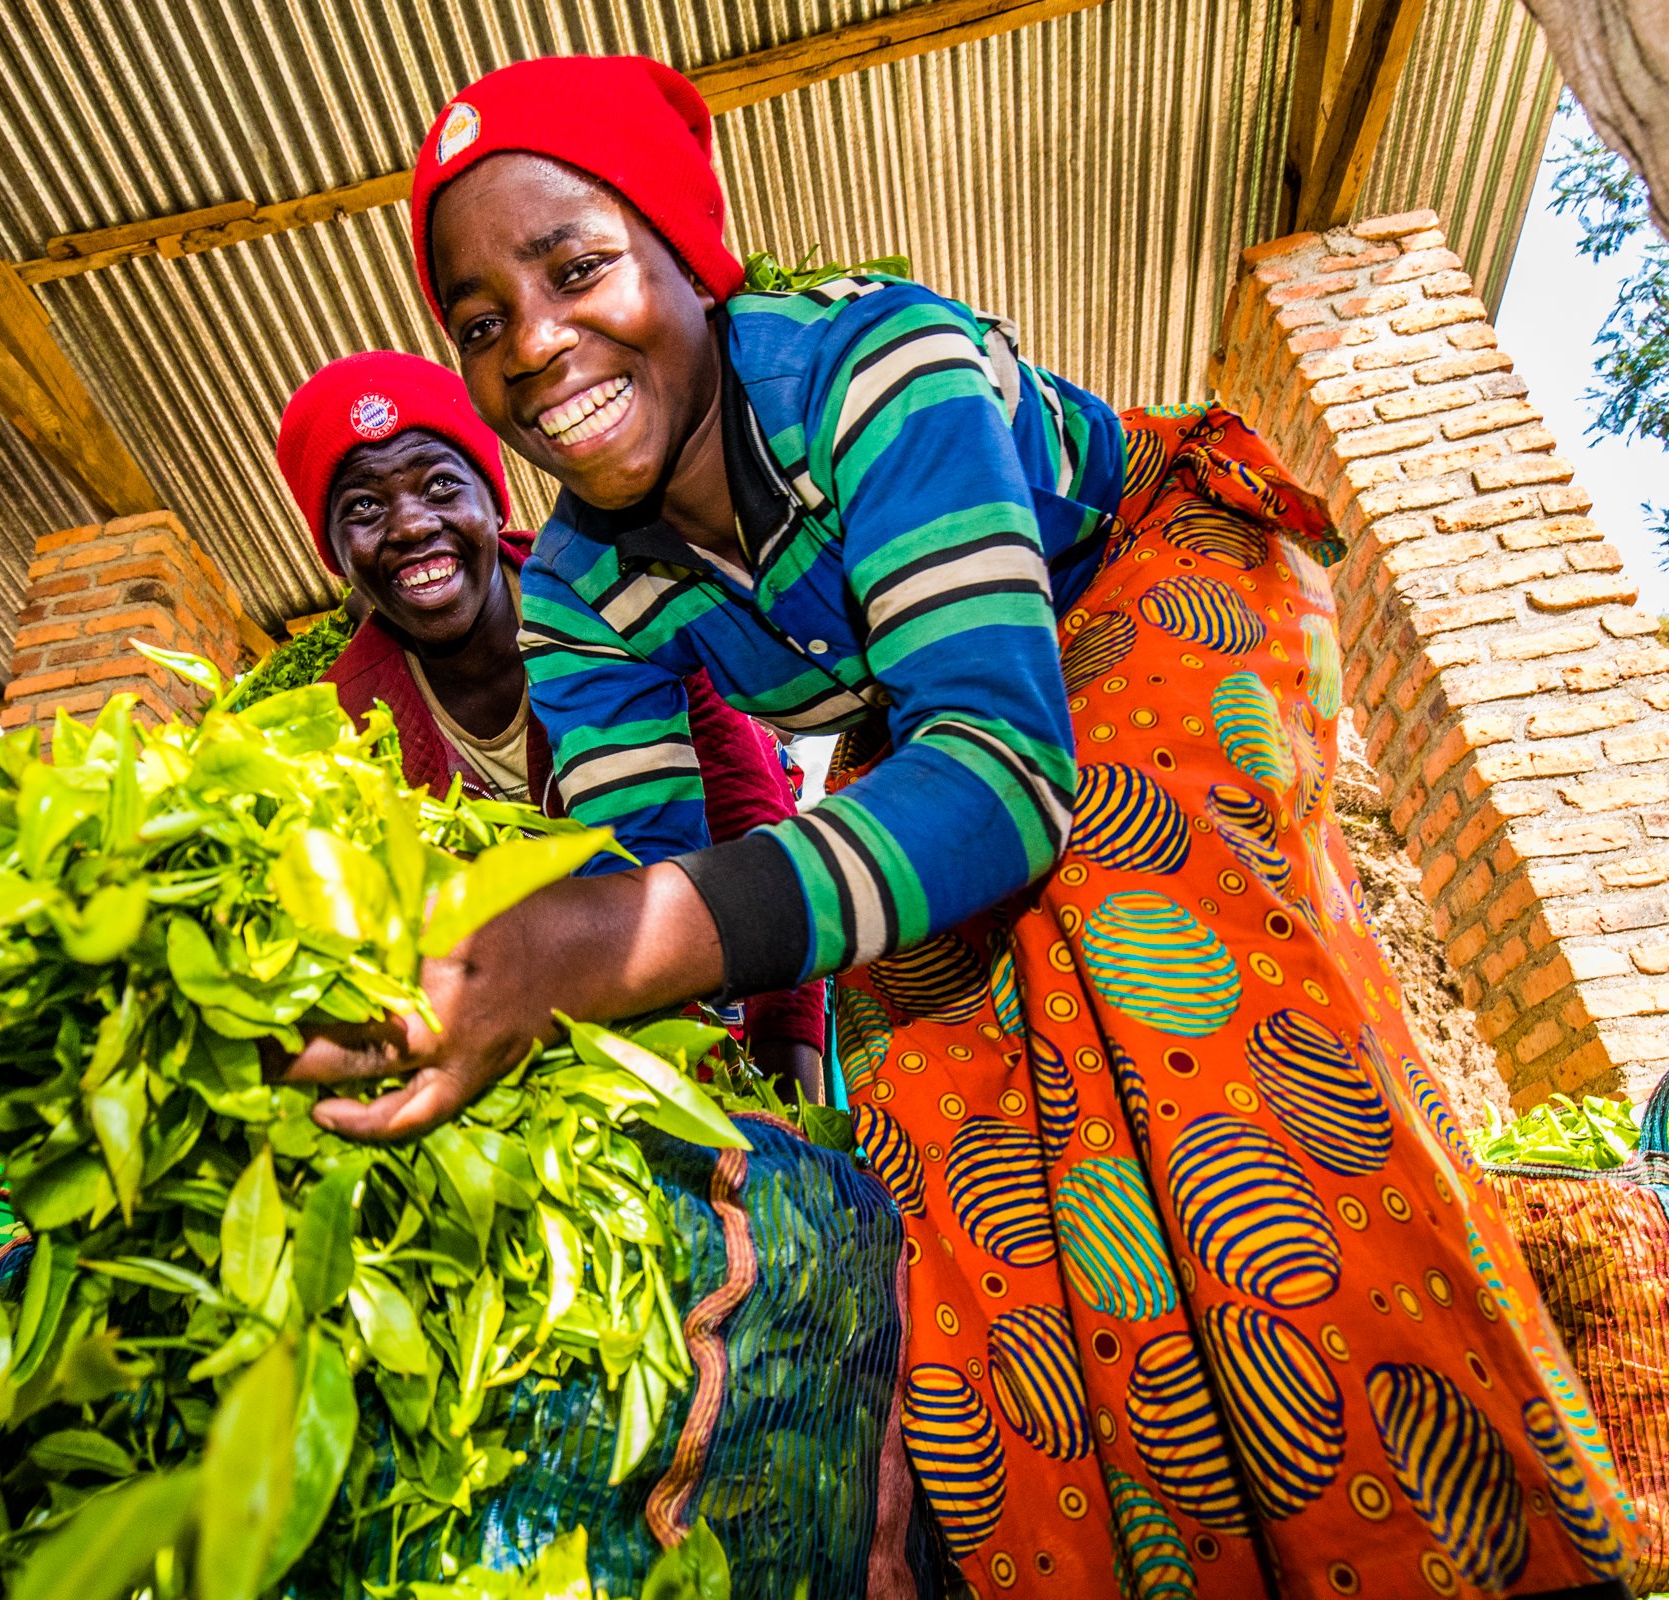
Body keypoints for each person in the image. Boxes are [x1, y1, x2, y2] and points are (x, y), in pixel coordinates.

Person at [289, 53, 1640, 1600]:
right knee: (926, 1102)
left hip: (1140, 585)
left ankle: (1469, 1554)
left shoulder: (875, 369)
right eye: (478, 324)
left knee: (1165, 966)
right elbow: (640, 888)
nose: (534, 344)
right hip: (932, 716)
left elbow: (1004, 785)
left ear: (686, 255)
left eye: (577, 267)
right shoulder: (579, 591)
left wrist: (586, 947)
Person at [275, 349, 825, 1097]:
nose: (410, 525)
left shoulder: (618, 600)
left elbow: (756, 830)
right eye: (362, 508)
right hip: (524, 1067)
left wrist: (785, 1069)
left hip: (706, 994)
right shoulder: (339, 728)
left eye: (440, 485)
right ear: (336, 556)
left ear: (491, 502)